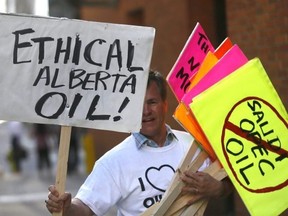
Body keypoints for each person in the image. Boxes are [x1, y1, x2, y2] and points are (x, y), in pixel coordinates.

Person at [45, 70, 232, 216]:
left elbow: (233, 182)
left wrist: (218, 188)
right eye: (137, 104)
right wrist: (66, 208)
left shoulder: (194, 146)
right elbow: (85, 207)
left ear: (165, 105)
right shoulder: (114, 161)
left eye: (152, 102)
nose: (145, 111)